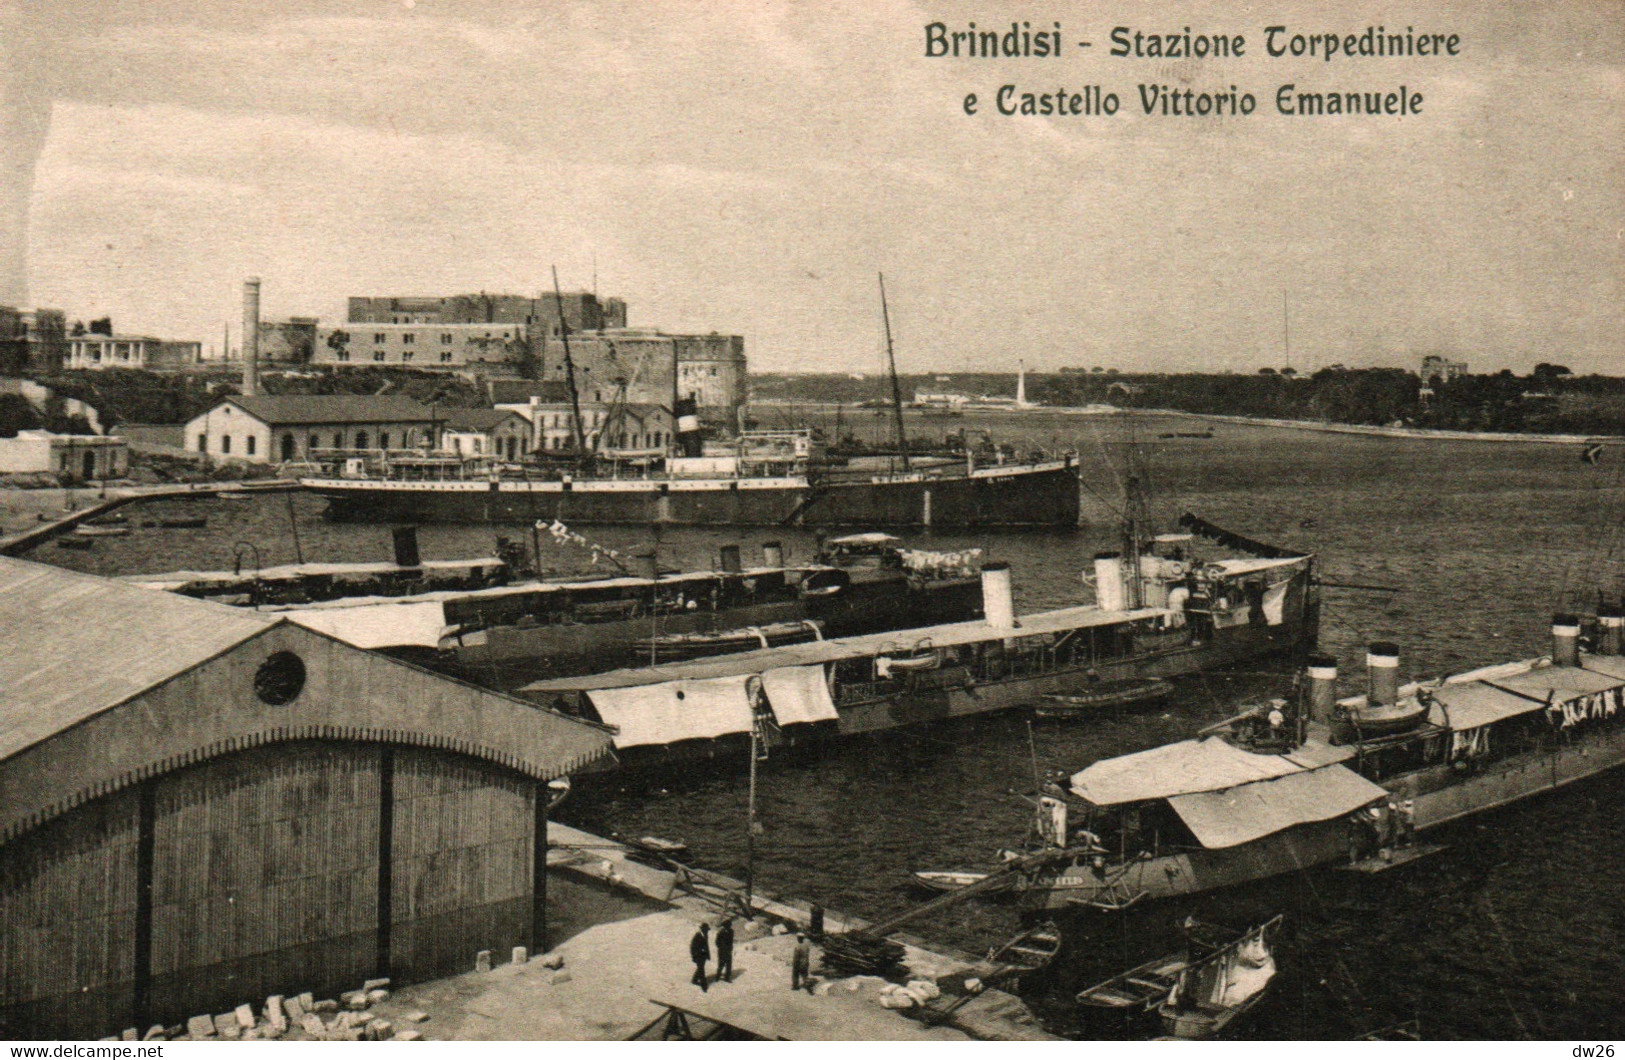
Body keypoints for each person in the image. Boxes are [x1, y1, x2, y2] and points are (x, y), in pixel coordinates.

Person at [689, 923, 711, 991]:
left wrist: (708, 955)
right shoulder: (697, 936)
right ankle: (704, 986)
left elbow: (706, 946)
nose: (707, 931)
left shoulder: (705, 935)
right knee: (701, 970)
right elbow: (692, 947)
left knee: (700, 968)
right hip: (698, 955)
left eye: (707, 930)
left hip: (703, 955)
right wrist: (694, 956)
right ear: (702, 929)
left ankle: (694, 980)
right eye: (706, 930)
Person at [714, 919, 735, 983]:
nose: (729, 926)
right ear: (725, 926)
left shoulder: (731, 931)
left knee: (729, 964)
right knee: (721, 964)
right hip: (722, 951)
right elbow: (717, 942)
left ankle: (727, 977)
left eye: (730, 925)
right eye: (728, 925)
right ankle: (718, 976)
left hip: (728, 950)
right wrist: (721, 947)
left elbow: (731, 941)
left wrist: (730, 947)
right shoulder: (721, 932)